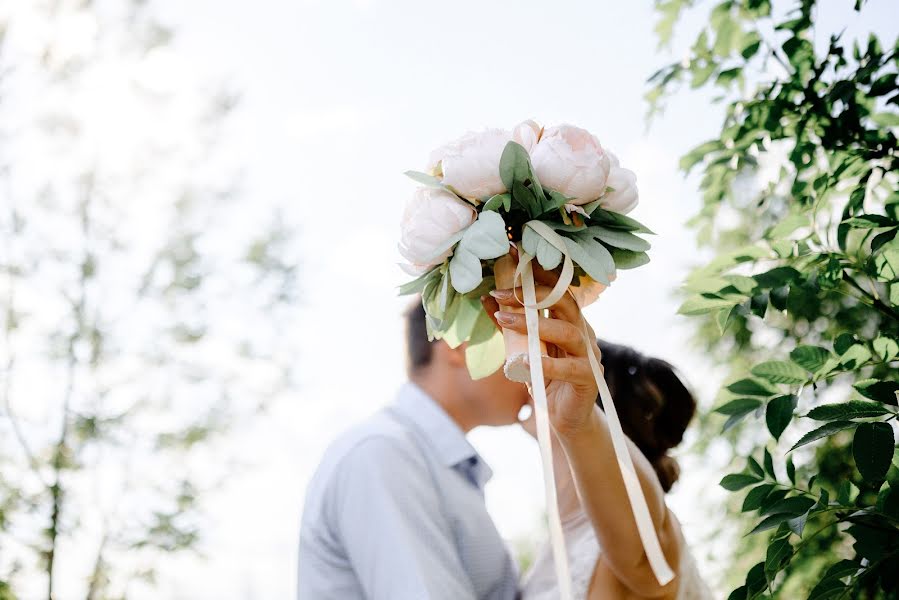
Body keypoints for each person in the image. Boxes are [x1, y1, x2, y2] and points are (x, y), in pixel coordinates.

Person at [480, 264, 712, 600]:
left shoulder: (636, 533)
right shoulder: (559, 540)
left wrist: (581, 421)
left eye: (563, 360)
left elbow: (649, 565)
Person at [296, 295, 529, 599]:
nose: (535, 360)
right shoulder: (383, 455)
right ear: (459, 341)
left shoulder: (431, 462)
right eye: (517, 335)